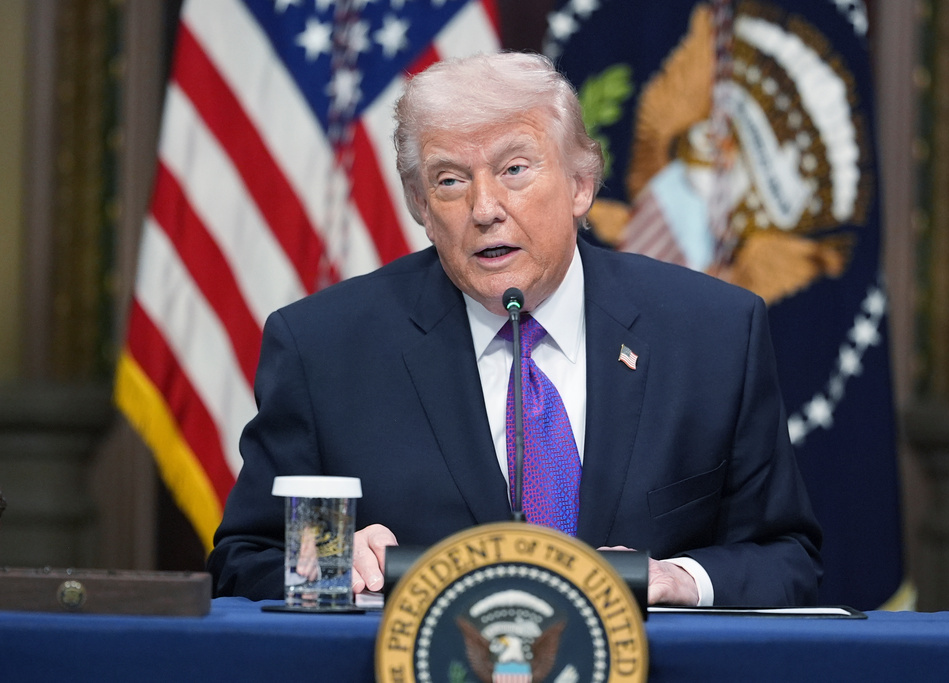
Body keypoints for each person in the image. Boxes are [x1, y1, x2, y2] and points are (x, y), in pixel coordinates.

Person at [207, 52, 822, 607]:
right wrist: (333, 563)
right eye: (450, 180)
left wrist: (682, 578)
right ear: (421, 206)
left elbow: (786, 556)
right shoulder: (324, 350)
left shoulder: (713, 334)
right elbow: (244, 561)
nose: (484, 209)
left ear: (581, 185)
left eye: (515, 169)